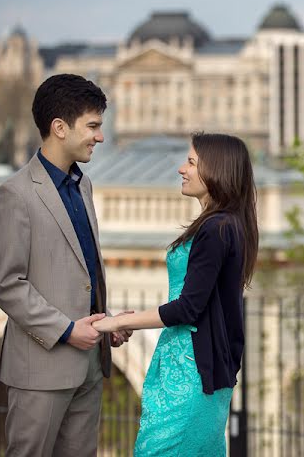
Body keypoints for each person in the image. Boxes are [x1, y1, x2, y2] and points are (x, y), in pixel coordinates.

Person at [0, 73, 132, 457]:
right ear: (59, 128)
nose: (100, 136)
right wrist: (66, 330)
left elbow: (81, 272)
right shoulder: (14, 194)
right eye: (93, 126)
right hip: (40, 371)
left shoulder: (83, 185)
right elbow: (5, 283)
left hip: (90, 366)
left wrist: (106, 320)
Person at [92, 132, 259, 456]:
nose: (182, 169)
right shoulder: (225, 225)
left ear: (217, 171)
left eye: (192, 162)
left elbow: (187, 308)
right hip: (191, 368)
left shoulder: (216, 228)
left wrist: (113, 323)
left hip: (191, 372)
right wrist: (130, 318)